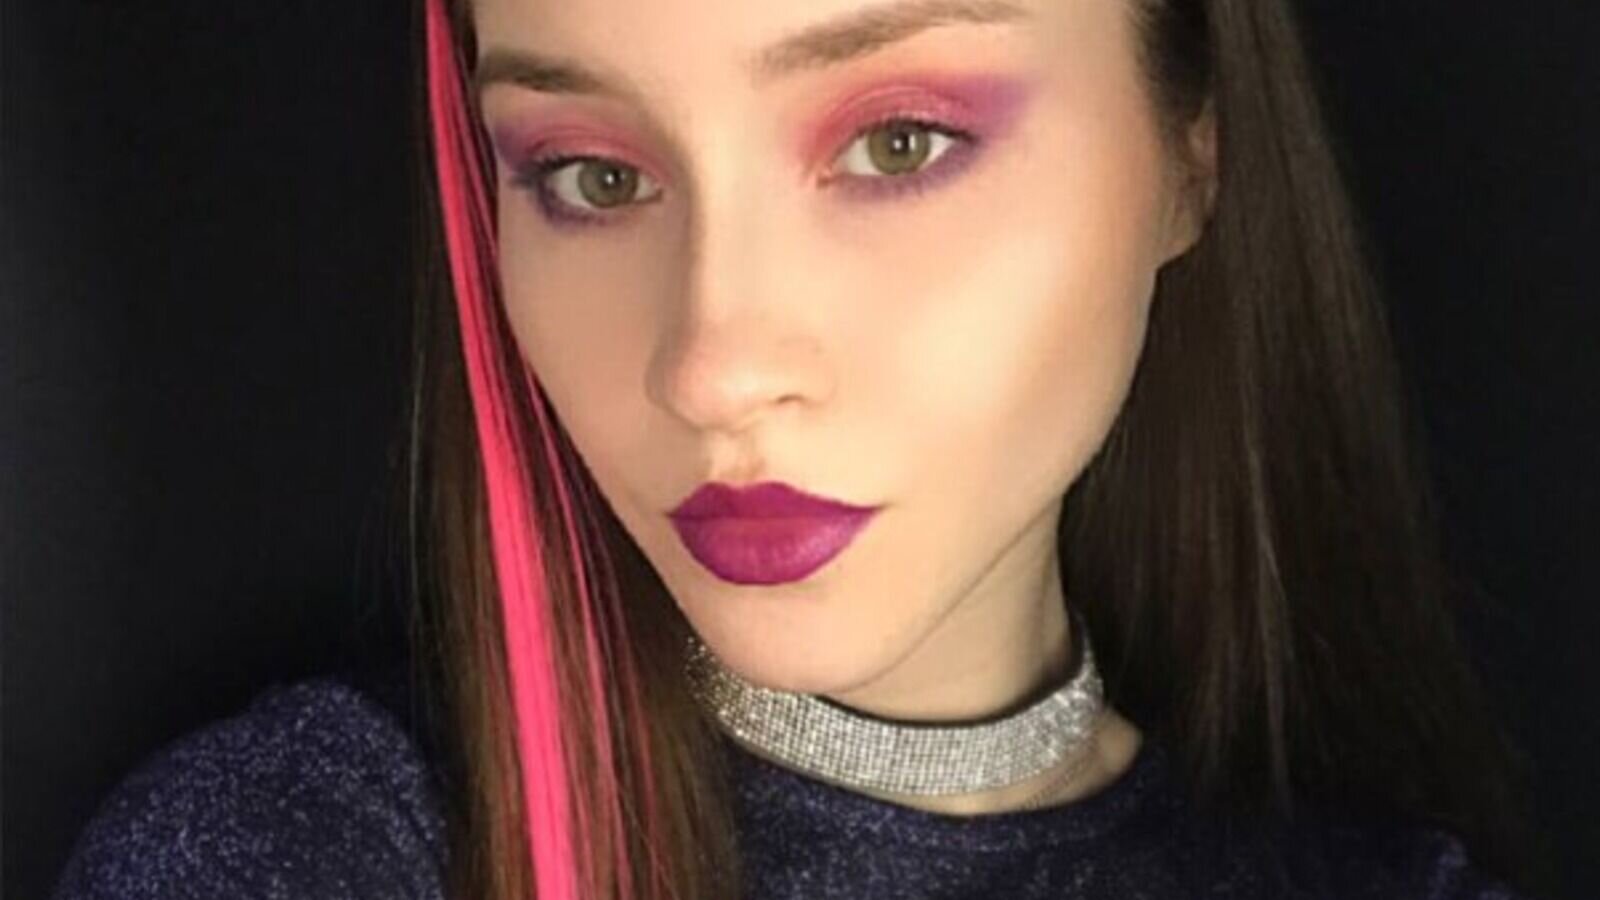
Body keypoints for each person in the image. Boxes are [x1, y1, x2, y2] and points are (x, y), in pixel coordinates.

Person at [52, 0, 1549, 898]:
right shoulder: (311, 851)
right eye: (589, 174)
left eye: (899, 142)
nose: (713, 367)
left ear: (1189, 155)